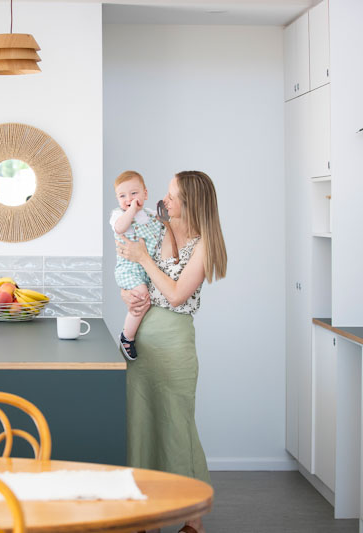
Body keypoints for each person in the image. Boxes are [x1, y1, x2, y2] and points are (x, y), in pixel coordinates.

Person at [116, 171, 227, 533]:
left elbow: (177, 295)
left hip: (175, 341)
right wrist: (127, 295)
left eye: (173, 195)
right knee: (142, 421)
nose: (166, 200)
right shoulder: (157, 227)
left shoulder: (204, 244)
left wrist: (144, 259)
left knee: (176, 424)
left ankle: (192, 518)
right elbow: (138, 277)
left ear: (192, 202)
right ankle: (147, 513)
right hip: (144, 335)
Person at [109, 171, 163, 361]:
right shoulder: (119, 215)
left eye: (134, 194)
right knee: (141, 298)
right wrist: (131, 210)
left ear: (145, 194)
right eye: (122, 196)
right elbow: (120, 228)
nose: (128, 199)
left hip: (148, 268)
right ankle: (127, 337)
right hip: (129, 268)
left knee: (150, 299)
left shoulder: (151, 216)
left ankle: (134, 334)